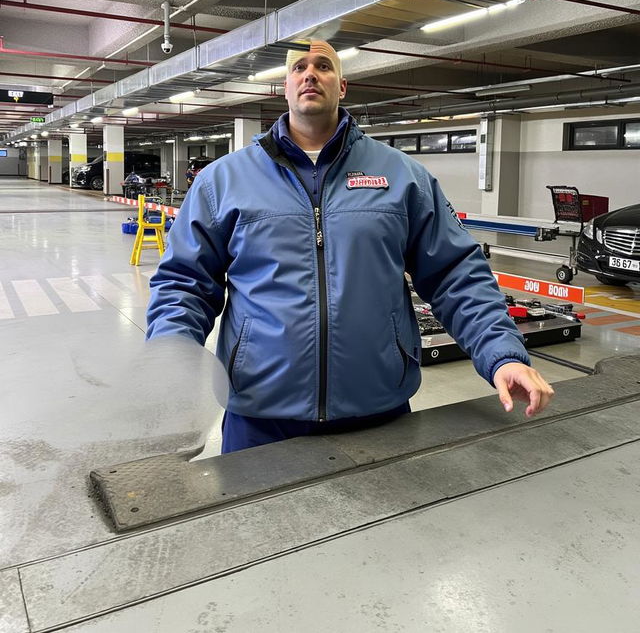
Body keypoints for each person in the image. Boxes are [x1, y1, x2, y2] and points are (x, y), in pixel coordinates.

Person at [146, 39, 554, 453]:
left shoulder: (401, 176)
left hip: (378, 409)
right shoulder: (223, 181)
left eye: (323, 66)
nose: (310, 74)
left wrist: (503, 355)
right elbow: (185, 284)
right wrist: (169, 375)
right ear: (284, 88)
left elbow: (455, 274)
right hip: (260, 414)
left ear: (342, 86)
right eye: (298, 68)